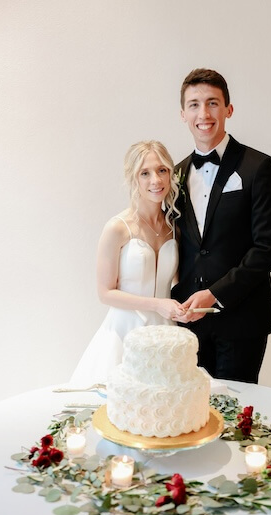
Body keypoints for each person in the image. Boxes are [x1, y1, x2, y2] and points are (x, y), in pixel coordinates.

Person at [171, 68, 271, 383]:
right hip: (189, 323)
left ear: (228, 109)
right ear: (183, 114)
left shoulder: (258, 167)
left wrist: (215, 294)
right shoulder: (175, 174)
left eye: (212, 103)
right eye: (194, 104)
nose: (203, 113)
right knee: (192, 419)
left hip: (242, 318)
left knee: (234, 419)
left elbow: (269, 248)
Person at [70, 140, 185, 386]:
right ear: (134, 179)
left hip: (166, 332)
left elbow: (177, 281)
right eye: (145, 173)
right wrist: (157, 305)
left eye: (162, 170)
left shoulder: (175, 227)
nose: (156, 180)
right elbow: (105, 293)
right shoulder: (117, 228)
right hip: (124, 333)